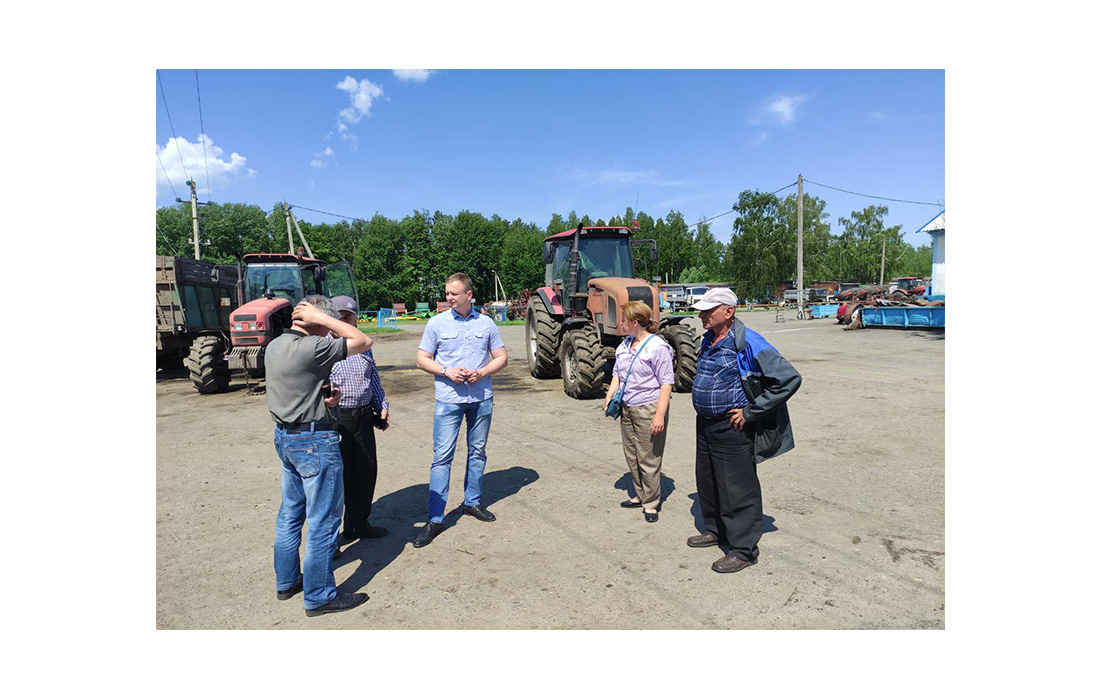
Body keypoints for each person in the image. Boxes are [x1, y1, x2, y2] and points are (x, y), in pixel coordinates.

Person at [267, 294, 373, 616]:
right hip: (314, 441)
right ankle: (319, 595)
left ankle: (287, 581)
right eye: (326, 325)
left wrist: (324, 400)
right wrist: (324, 318)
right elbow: (363, 341)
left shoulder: (275, 345)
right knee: (323, 521)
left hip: (286, 437)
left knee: (290, 515)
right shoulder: (313, 347)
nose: (330, 332)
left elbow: (297, 387)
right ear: (315, 321)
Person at [688, 287, 801, 574]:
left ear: (729, 311)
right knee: (708, 480)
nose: (702, 316)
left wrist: (751, 412)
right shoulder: (710, 338)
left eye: (708, 311)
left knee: (737, 488)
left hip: (732, 425)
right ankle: (717, 530)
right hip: (706, 423)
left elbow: (788, 379)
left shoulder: (749, 341)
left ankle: (743, 549)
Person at [413, 273, 508, 547]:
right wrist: (447, 371)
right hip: (449, 399)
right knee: (442, 457)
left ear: (469, 294)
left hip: (481, 397)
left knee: (477, 452)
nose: (449, 297)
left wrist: (482, 372)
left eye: (454, 293)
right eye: (447, 293)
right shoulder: (436, 323)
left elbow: (501, 357)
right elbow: (421, 359)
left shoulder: (486, 323)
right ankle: (435, 518)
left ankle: (472, 502)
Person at [328, 295, 390, 554]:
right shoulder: (322, 346)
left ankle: (358, 524)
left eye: (349, 315)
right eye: (339, 315)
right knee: (336, 482)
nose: (345, 319)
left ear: (355, 317)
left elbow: (373, 378)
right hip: (336, 420)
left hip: (363, 418)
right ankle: (330, 541)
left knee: (365, 474)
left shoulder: (363, 345)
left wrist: (382, 405)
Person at [603, 301, 674, 523]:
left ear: (635, 322)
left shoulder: (657, 347)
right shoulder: (624, 345)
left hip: (648, 408)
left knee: (648, 456)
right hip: (628, 407)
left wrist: (659, 415)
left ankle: (651, 503)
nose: (621, 323)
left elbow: (666, 383)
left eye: (624, 319)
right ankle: (640, 494)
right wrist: (609, 395)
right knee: (632, 454)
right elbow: (617, 374)